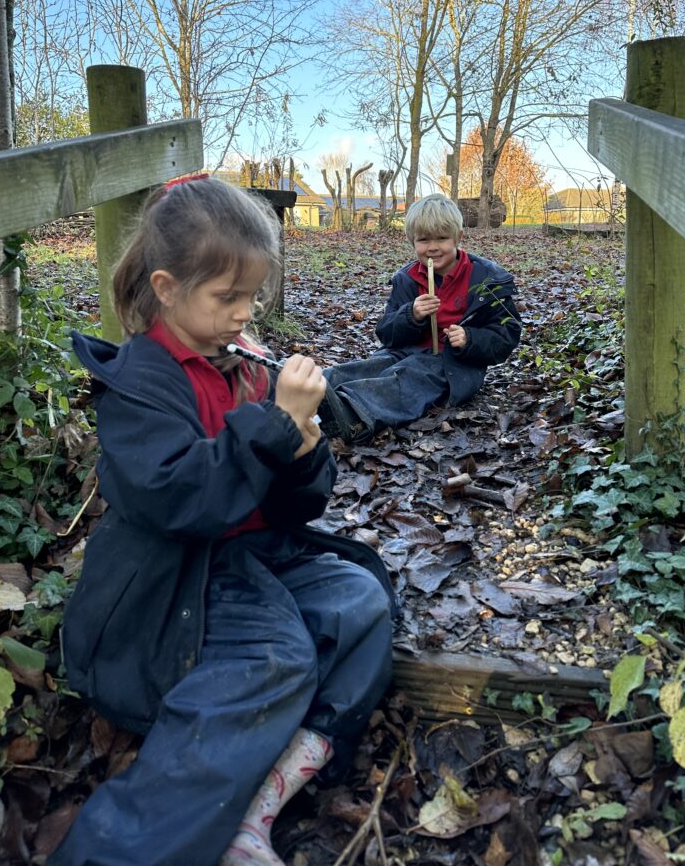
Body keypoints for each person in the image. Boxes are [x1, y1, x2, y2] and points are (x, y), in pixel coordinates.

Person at [49, 175, 394, 866]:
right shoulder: (140, 380)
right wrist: (272, 429)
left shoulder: (244, 364)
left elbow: (300, 500)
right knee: (274, 659)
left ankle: (261, 799)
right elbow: (180, 499)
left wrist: (301, 451)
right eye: (226, 297)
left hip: (260, 553)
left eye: (252, 297)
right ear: (168, 287)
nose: (244, 313)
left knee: (360, 601)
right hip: (181, 575)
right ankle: (119, 849)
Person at [319, 193, 522, 444]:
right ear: (412, 241)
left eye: (442, 238)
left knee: (410, 376)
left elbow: (507, 334)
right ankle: (313, 390)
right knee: (375, 365)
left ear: (458, 237)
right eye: (424, 240)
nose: (433, 247)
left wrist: (470, 339)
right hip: (406, 351)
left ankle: (352, 415)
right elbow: (387, 334)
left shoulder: (486, 279)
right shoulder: (408, 278)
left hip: (455, 365)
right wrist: (411, 315)